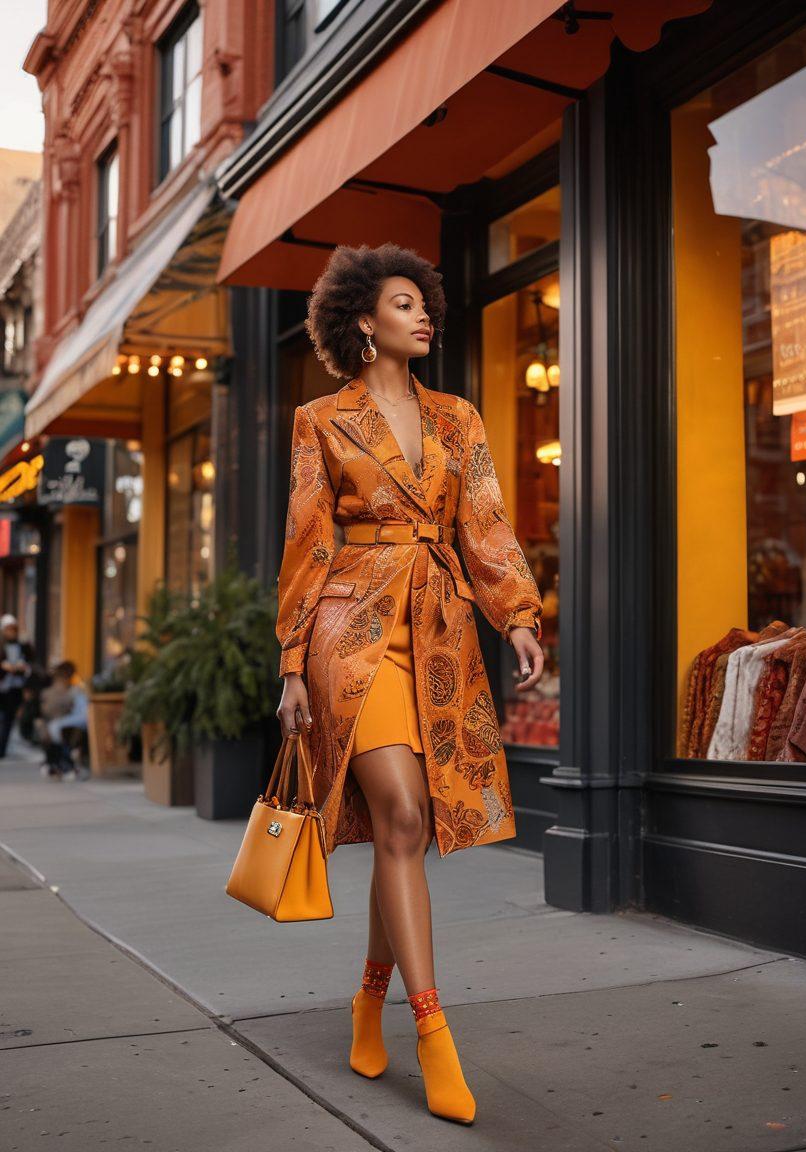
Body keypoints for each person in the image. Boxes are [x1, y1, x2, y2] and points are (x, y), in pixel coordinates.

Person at [274, 243, 544, 1125]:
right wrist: (290, 665)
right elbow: (307, 541)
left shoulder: (459, 418)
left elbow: (488, 524)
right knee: (401, 815)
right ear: (364, 319)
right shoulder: (320, 419)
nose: (423, 315)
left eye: (423, 303)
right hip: (350, 633)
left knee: (409, 832)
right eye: (403, 303)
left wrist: (520, 617)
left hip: (438, 634)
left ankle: (366, 1002)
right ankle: (433, 1033)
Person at [36, 661, 89, 780]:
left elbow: (82, 713)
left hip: (70, 724)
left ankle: (59, 765)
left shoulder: (75, 692)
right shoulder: (50, 692)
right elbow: (45, 711)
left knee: (56, 731)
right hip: (61, 725)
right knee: (55, 732)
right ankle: (61, 765)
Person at [0, 614, 35, 758]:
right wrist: (3, 666)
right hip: (2, 685)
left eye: (13, 629)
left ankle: (2, 749)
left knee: (8, 719)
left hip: (15, 688)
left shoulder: (23, 645)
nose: (11, 632)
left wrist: (23, 668)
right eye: (8, 629)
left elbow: (31, 663)